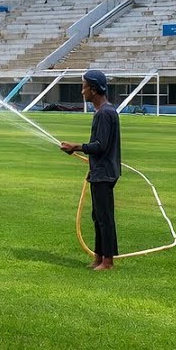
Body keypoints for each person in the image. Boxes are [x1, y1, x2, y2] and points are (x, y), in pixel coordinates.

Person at [60, 70, 121, 271]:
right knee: (98, 216)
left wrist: (75, 147)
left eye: (84, 86)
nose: (82, 91)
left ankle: (108, 261)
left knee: (105, 218)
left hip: (104, 173)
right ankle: (99, 257)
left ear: (94, 90)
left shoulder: (105, 113)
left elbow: (100, 145)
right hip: (99, 171)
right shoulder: (103, 111)